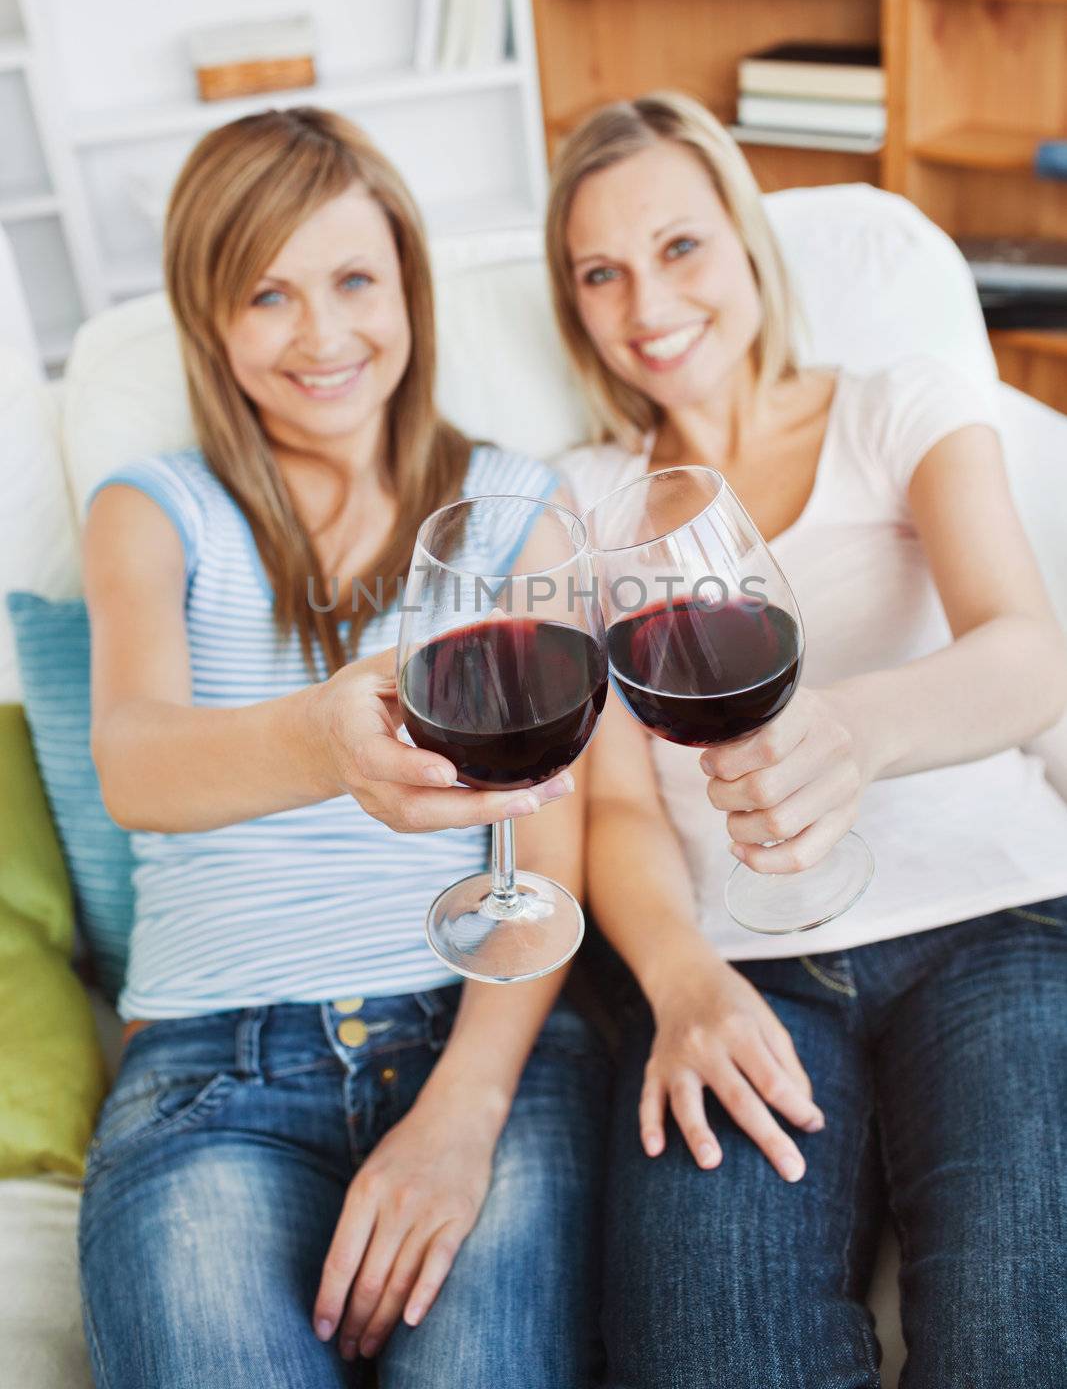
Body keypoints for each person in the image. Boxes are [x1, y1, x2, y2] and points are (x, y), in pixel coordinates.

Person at [79, 106, 607, 1389]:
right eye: (266, 294)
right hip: (214, 1064)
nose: (323, 336)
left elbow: (551, 840)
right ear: (210, 323)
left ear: (409, 290)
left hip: (473, 1035)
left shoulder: (513, 509)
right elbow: (136, 760)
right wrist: (325, 737)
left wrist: (464, 1109)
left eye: (354, 280)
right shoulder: (152, 514)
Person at [547, 91, 1067, 1388]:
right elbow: (610, 804)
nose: (644, 305)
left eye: (677, 248)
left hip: (990, 921)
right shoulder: (578, 499)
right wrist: (676, 981)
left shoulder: (898, 405)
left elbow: (1024, 649)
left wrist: (845, 728)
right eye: (598, 273)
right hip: (739, 964)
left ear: (744, 240)